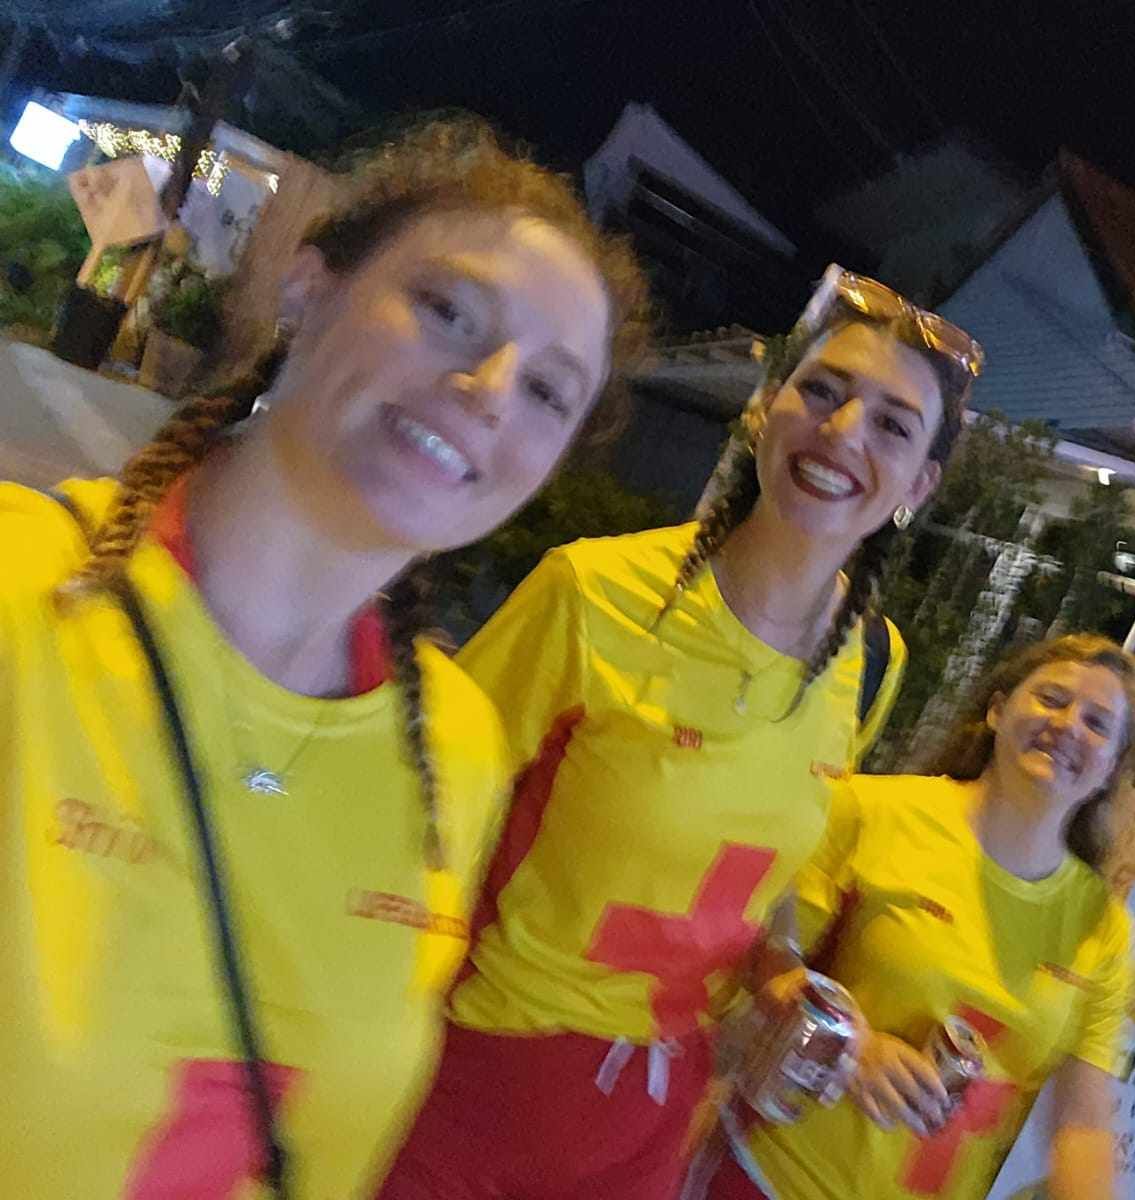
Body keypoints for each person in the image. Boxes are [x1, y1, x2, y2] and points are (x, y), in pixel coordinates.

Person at [0, 118, 649, 1197]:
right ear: (307, 288)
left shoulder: (455, 752)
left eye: (547, 390)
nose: (490, 387)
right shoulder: (26, 591)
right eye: (448, 311)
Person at [377, 266, 984, 1199]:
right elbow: (413, 813)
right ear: (763, 412)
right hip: (477, 1081)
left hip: (651, 1125)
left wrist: (785, 983)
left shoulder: (869, 663)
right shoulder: (590, 596)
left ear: (921, 483)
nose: (842, 430)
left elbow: (766, 875)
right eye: (820, 391)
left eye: (892, 424)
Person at [704, 633, 1135, 1200]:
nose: (1068, 726)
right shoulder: (871, 810)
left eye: (1098, 723)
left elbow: (1082, 1126)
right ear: (997, 708)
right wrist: (853, 1048)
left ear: (1110, 769)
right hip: (769, 1176)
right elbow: (766, 960)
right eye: (1052, 699)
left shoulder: (1104, 932)